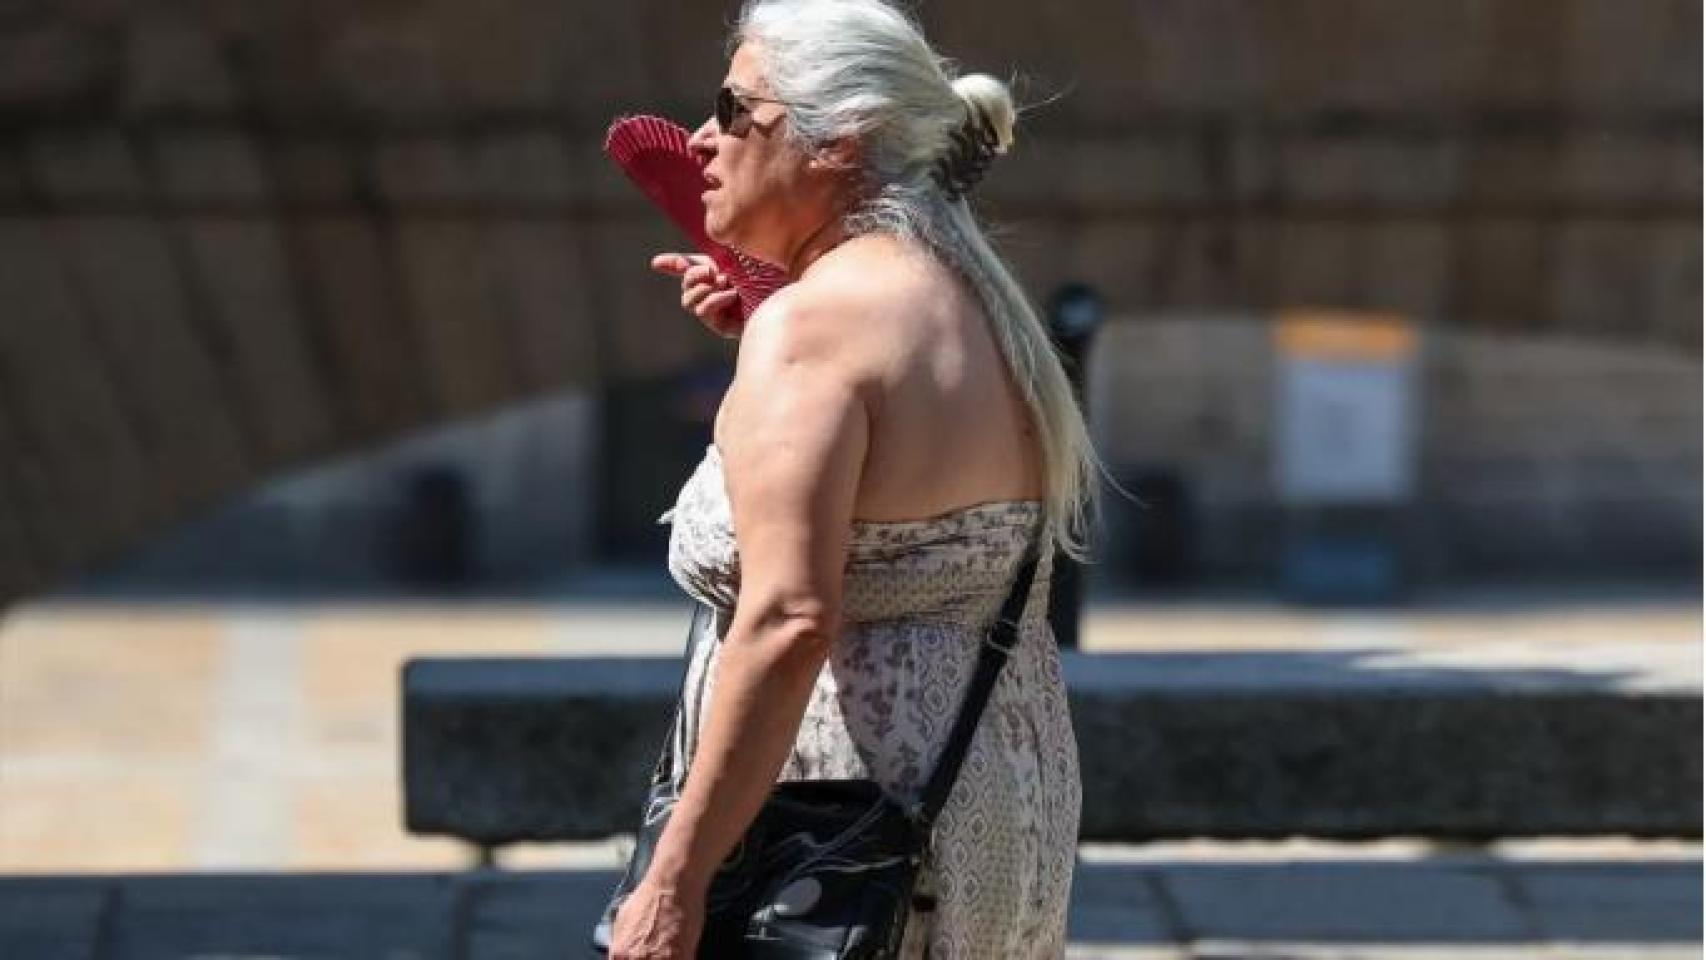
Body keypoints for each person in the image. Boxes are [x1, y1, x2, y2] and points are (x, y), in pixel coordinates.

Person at [609, 1, 1101, 956]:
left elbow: (791, 618)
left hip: (836, 837)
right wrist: (764, 335)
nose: (705, 139)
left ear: (838, 141)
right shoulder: (973, 296)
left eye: (737, 109)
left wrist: (676, 878)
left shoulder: (817, 331)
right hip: (996, 798)